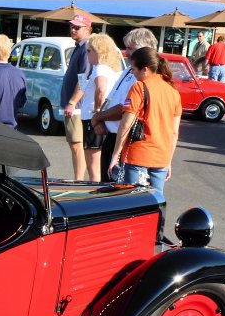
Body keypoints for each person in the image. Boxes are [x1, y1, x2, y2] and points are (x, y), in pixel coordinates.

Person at [107, 47, 182, 196]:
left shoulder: (139, 87)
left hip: (138, 155)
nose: (133, 73)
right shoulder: (173, 92)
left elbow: (126, 124)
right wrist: (168, 161)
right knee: (155, 203)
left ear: (145, 70)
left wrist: (115, 154)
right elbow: (174, 132)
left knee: (133, 203)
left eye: (134, 69)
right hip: (161, 157)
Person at [90, 27, 158, 182]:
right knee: (106, 187)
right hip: (113, 136)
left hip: (125, 141)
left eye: (130, 48)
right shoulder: (129, 70)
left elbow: (125, 108)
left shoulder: (141, 75)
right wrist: (101, 118)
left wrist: (98, 116)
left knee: (115, 191)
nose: (125, 52)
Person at [64, 33, 121, 181]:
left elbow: (101, 89)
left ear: (98, 52)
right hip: (103, 121)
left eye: (89, 51)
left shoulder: (100, 68)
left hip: (92, 120)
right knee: (101, 165)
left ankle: (94, 198)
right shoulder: (112, 70)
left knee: (94, 168)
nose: (87, 54)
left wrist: (97, 111)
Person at [61, 14, 93, 177]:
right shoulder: (79, 47)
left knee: (76, 144)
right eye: (72, 26)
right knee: (75, 144)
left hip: (78, 107)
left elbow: (84, 79)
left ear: (88, 29)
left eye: (77, 27)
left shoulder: (86, 48)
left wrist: (72, 101)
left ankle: (78, 180)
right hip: (76, 106)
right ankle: (77, 179)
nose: (73, 29)